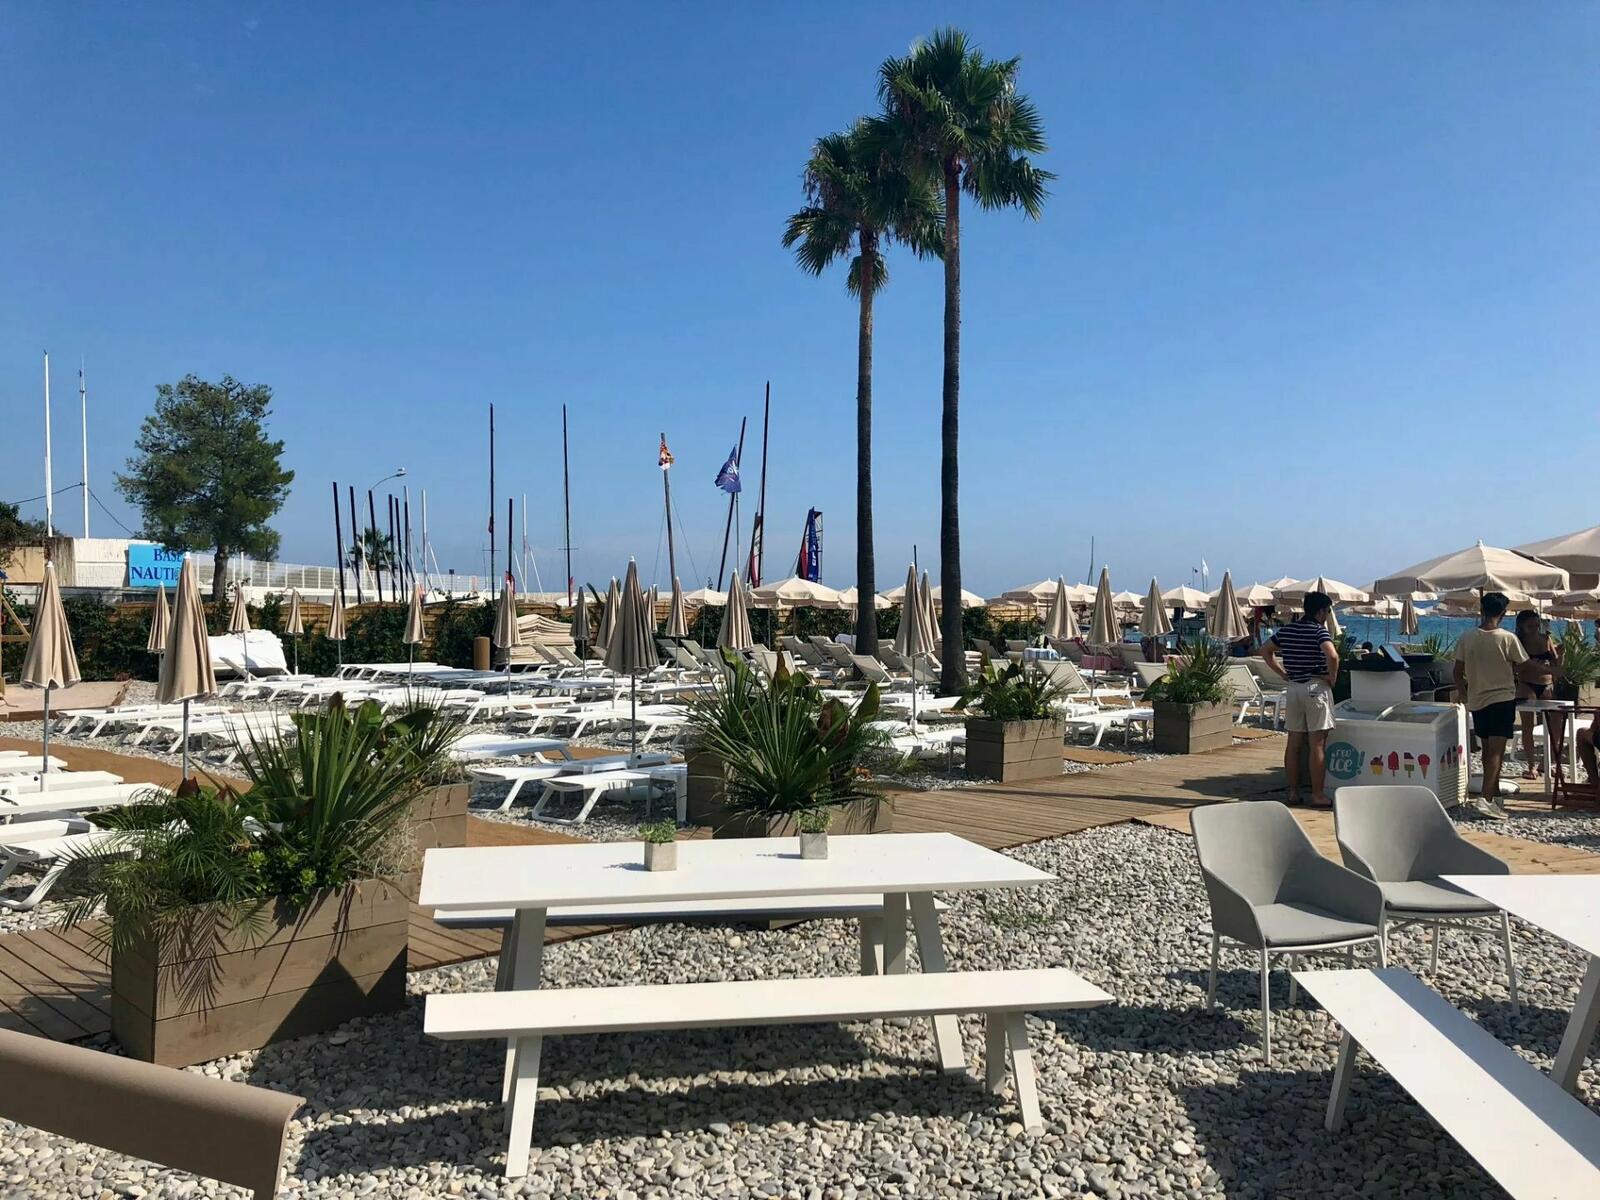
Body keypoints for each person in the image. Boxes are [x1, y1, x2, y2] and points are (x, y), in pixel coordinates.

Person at [1453, 592, 1528, 816]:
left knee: (1487, 750)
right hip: (1501, 698)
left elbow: (1457, 671)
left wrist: (1463, 692)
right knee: (1496, 751)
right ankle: (1486, 800)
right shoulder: (1507, 638)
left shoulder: (1467, 637)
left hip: (1477, 700)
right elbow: (1524, 665)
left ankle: (1493, 794)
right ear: (1503, 613)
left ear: (1481, 610)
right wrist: (1552, 668)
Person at [1263, 591, 1339, 808]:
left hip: (1294, 687)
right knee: (1317, 744)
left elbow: (1265, 650)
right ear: (1321, 611)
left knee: (1293, 743)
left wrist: (1282, 673)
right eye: (1327, 611)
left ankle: (1293, 792)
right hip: (1315, 686)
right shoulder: (1319, 631)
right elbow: (1332, 655)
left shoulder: (1288, 630)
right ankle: (1317, 794)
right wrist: (1332, 678)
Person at [1513, 610, 1563, 779]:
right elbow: (1514, 668)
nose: (1534, 628)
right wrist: (1530, 664)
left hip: (1547, 684)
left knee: (1556, 724)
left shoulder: (1545, 639)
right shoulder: (1518, 642)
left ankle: (1547, 763)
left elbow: (1556, 664)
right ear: (1521, 626)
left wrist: (1561, 655)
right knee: (1528, 726)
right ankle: (1531, 766)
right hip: (1527, 684)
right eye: (1530, 626)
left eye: (1536, 625)